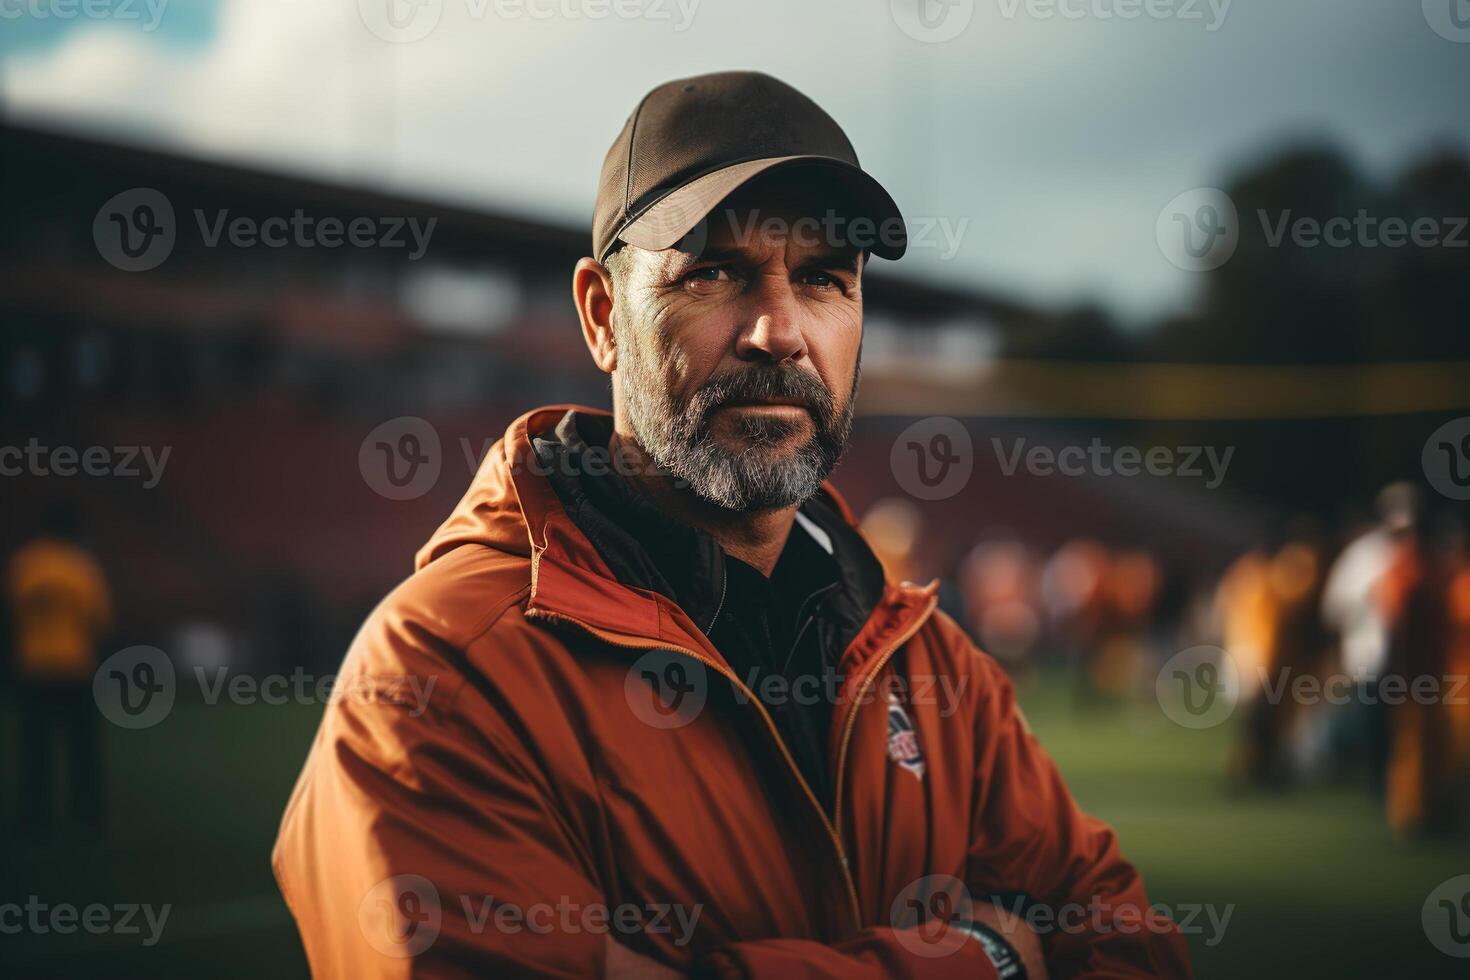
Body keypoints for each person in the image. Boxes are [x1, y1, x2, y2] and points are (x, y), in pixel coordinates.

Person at [273, 71, 1191, 979]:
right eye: (715, 271)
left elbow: (1132, 947)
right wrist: (982, 958)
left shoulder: (934, 666)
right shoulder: (439, 671)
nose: (779, 330)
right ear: (601, 317)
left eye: (826, 278)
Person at [6, 502, 112, 834]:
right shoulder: (79, 566)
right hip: (73, 666)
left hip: (32, 667)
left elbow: (9, 615)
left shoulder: (22, 564)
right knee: (82, 749)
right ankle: (87, 818)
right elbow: (99, 618)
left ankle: (36, 818)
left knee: (35, 749)